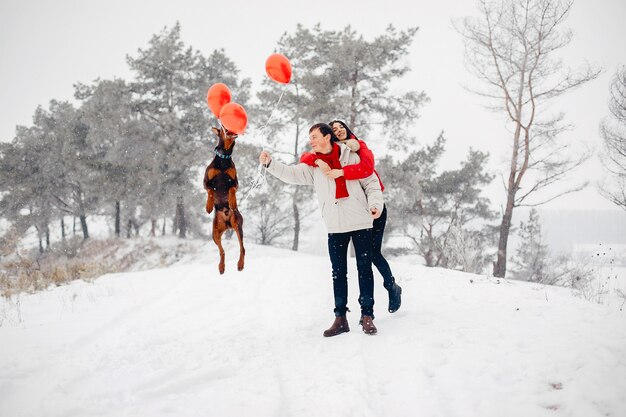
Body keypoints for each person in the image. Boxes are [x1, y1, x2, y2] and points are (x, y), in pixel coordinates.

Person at [259, 123, 383, 336]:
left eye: (315, 136)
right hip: (335, 226)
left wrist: (375, 205)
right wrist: (270, 163)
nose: (312, 141)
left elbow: (371, 183)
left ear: (327, 137)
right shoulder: (314, 166)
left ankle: (367, 316)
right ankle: (340, 318)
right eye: (310, 137)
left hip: (361, 221)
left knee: (364, 270)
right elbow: (291, 174)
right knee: (338, 274)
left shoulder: (351, 156)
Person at [299, 120, 402, 314]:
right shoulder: (334, 153)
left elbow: (367, 169)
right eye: (335, 130)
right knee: (366, 256)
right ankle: (382, 292)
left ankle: (391, 287)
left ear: (347, 130)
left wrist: (341, 172)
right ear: (331, 136)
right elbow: (306, 159)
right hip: (356, 211)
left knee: (372, 253)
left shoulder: (357, 148)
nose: (339, 132)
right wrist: (317, 160)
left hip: (374, 206)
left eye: (342, 128)